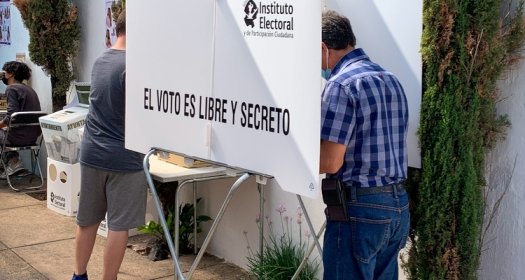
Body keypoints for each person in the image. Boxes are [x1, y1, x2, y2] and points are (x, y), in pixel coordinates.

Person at [319, 10, 410, 280]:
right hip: (397, 207)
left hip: (359, 210)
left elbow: (331, 161)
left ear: (323, 48)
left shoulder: (340, 85)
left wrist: (290, 153)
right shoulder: (391, 80)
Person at [72, 10, 147, 280]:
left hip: (92, 151)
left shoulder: (100, 60)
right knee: (119, 225)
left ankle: (78, 275)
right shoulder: (134, 66)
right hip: (124, 159)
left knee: (87, 219)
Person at [0, 61, 42, 178]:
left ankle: (13, 162)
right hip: (33, 138)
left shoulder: (11, 88)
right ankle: (13, 162)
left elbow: (11, 116)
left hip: (18, 138)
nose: (3, 75)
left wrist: (1, 125)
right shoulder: (30, 90)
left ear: (11, 74)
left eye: (5, 72)